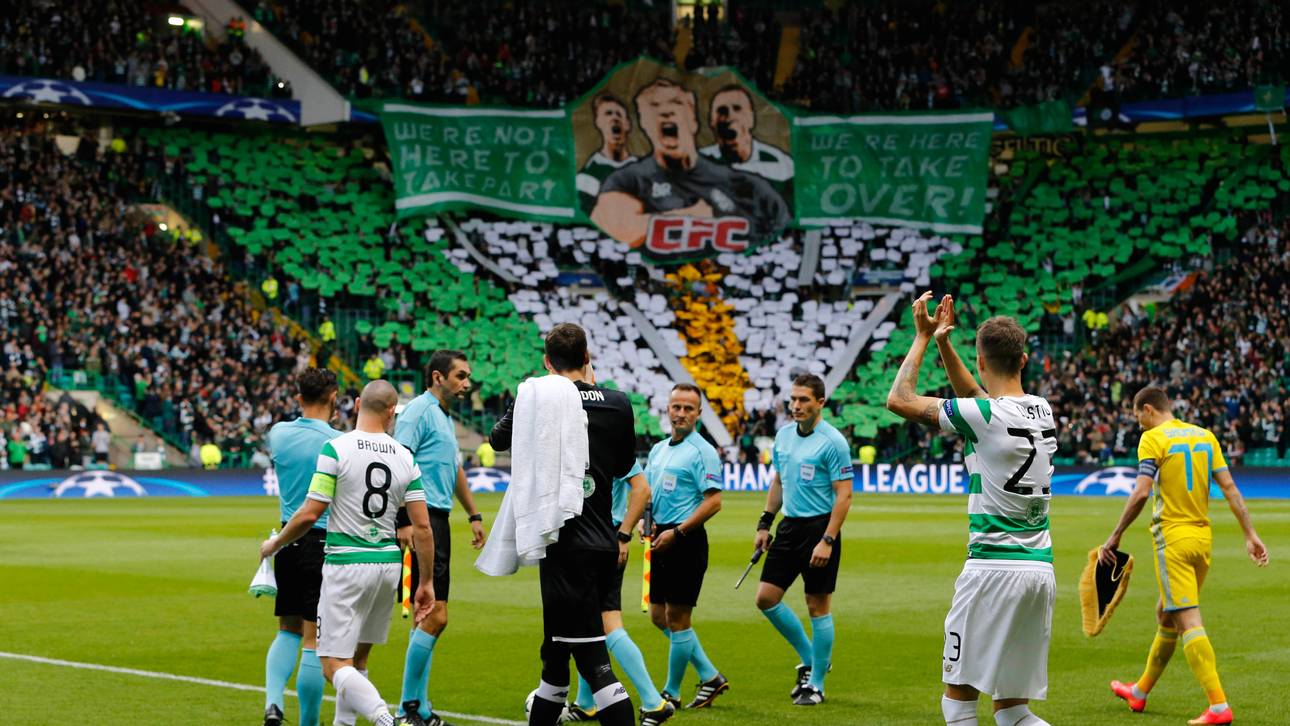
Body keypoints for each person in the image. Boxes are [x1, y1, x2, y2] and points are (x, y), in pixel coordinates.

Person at [885, 293, 1058, 726]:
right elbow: (980, 398)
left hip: (991, 571)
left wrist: (924, 337)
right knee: (1013, 712)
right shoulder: (1042, 409)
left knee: (959, 702)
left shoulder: (983, 414)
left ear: (981, 361)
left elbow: (900, 398)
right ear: (1023, 360)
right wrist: (947, 343)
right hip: (1039, 571)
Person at [259, 380, 435, 726]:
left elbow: (311, 512)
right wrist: (425, 582)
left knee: (332, 663)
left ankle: (384, 718)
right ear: (390, 412)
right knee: (358, 661)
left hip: (344, 561)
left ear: (356, 404)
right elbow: (423, 528)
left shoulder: (336, 449)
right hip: (387, 564)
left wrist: (275, 543)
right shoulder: (405, 456)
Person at [490, 323, 638, 726]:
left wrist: (526, 396)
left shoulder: (535, 399)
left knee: (594, 662)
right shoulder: (619, 404)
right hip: (604, 542)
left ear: (546, 362)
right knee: (554, 658)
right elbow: (625, 465)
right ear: (587, 358)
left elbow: (497, 439)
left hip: (566, 544)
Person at [1101, 386, 1270, 726]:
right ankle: (1140, 691)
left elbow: (1140, 493)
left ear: (1148, 410)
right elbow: (1231, 489)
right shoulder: (1205, 436)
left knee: (1188, 619)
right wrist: (1250, 534)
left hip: (1173, 542)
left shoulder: (1153, 439)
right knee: (1167, 613)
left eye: (1138, 417)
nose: (1139, 425)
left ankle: (1219, 706)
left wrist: (1115, 535)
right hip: (1202, 541)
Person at [589, 78, 789, 259]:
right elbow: (616, 227)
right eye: (654, 106)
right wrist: (692, 214)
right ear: (644, 124)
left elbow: (782, 233)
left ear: (693, 119)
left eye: (675, 103)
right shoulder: (627, 181)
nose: (665, 111)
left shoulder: (746, 185)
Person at [394, 350, 488, 725]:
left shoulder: (442, 417)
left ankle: (420, 708)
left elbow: (455, 469)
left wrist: (474, 513)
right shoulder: (417, 411)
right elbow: (398, 460)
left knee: (425, 617)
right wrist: (403, 519)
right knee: (435, 615)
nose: (466, 384)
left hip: (438, 518)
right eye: (461, 376)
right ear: (437, 377)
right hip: (422, 518)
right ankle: (407, 708)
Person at [753, 372, 852, 706]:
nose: (795, 406)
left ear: (820, 403)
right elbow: (779, 480)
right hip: (789, 527)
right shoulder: (782, 436)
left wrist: (827, 539)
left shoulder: (833, 441)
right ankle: (812, 659)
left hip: (819, 529)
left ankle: (817, 684)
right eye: (793, 399)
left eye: (803, 400)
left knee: (817, 606)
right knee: (765, 598)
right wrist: (765, 522)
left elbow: (844, 496)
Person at [561, 460, 673, 725]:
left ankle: (653, 701)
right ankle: (587, 703)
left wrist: (623, 533)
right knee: (587, 626)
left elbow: (642, 489)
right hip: (597, 537)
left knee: (607, 624)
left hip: (599, 539)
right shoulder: (600, 433)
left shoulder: (607, 436)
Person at [261, 368, 343, 726]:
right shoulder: (339, 442)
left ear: (298, 398)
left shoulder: (278, 434)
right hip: (322, 539)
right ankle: (309, 721)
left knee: (286, 628)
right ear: (334, 398)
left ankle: (274, 703)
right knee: (314, 638)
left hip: (286, 538)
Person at [644, 383, 727, 709]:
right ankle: (710, 676)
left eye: (688, 408)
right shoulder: (659, 449)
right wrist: (644, 520)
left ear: (698, 413)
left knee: (678, 620)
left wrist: (677, 532)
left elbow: (715, 501)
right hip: (658, 537)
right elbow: (648, 492)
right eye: (676, 406)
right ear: (668, 408)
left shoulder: (703, 451)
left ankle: (671, 693)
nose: (680, 413)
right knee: (657, 617)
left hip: (685, 541)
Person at [698, 84, 793, 195]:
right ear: (712, 122)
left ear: (751, 119)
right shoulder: (700, 162)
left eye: (737, 108)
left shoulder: (780, 162)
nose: (729, 116)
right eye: (722, 110)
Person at [577, 94, 639, 216]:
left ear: (627, 124)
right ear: (598, 122)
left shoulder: (644, 168)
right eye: (608, 113)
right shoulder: (588, 176)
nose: (614, 118)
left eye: (619, 114)